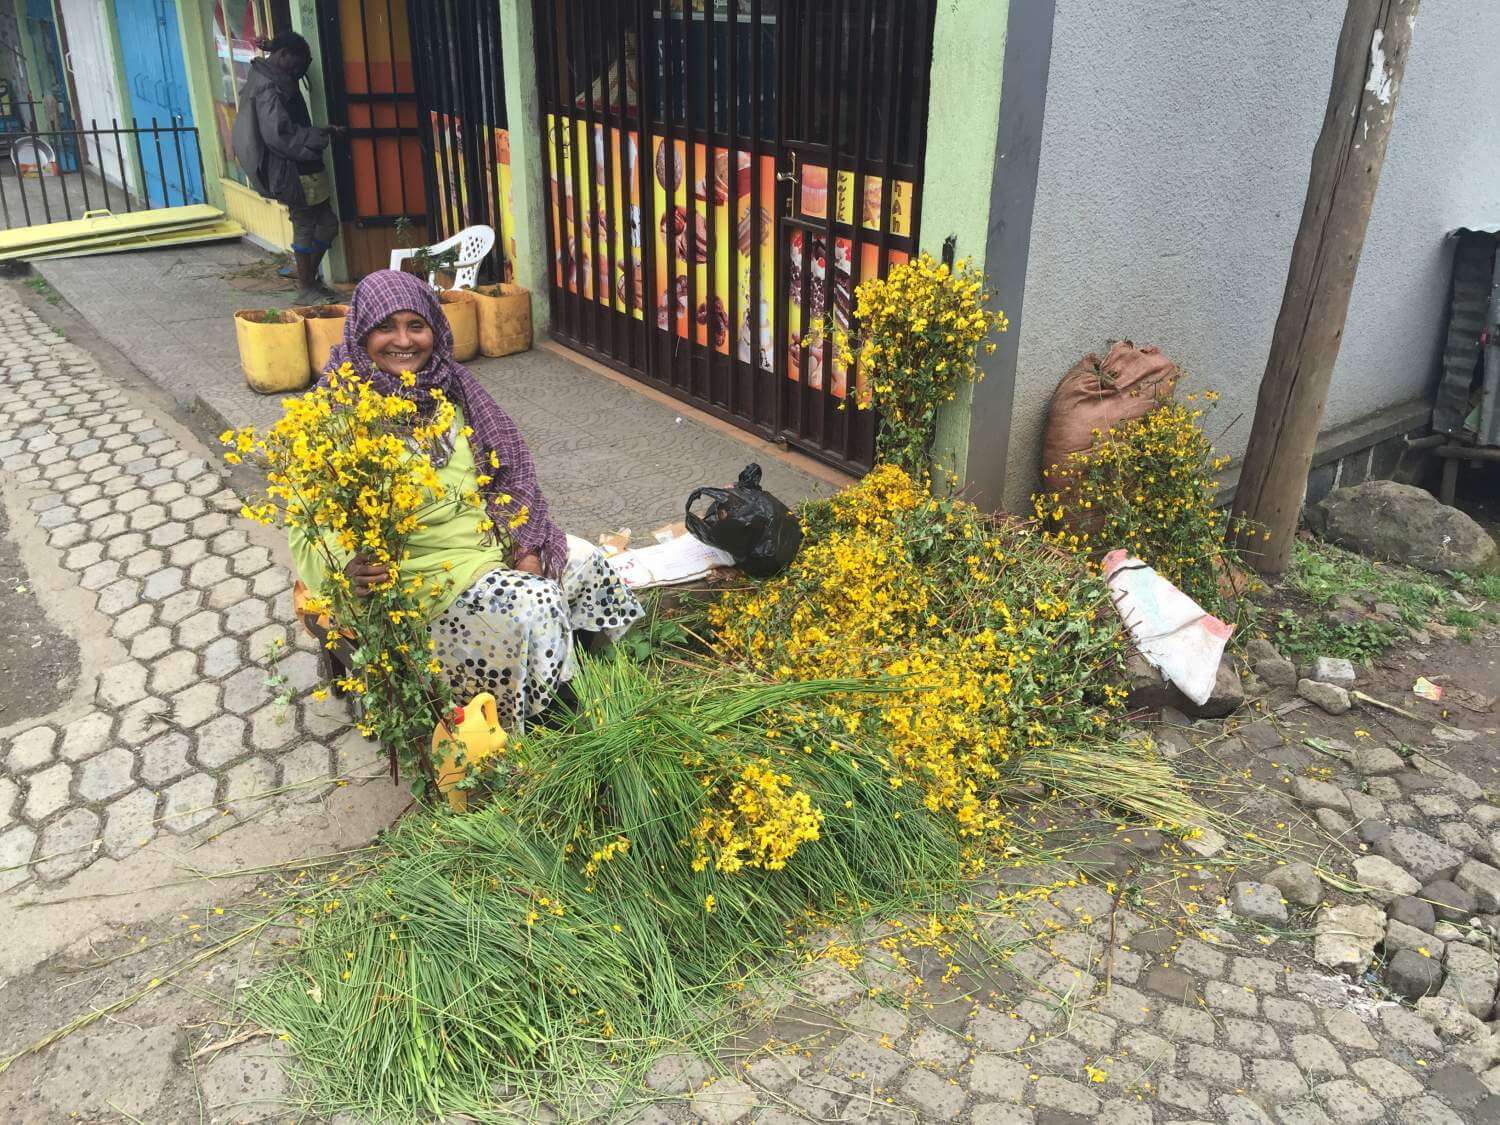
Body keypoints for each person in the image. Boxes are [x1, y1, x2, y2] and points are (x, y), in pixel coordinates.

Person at [289, 270, 644, 731]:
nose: (403, 341)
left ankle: (605, 685)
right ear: (360, 332)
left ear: (435, 329)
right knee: (534, 604)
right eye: (385, 327)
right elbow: (306, 525)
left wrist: (527, 548)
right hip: (421, 579)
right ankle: (553, 732)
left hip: (491, 544)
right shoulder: (334, 409)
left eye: (416, 326)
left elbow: (511, 474)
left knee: (588, 562)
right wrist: (345, 568)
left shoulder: (452, 386)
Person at [231, 31, 340, 304]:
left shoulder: (269, 76)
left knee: (326, 224)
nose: (298, 70)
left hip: (295, 166)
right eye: (296, 64)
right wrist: (317, 137)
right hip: (291, 169)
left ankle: (309, 280)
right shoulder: (269, 85)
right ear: (282, 55)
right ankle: (306, 288)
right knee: (307, 224)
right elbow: (279, 134)